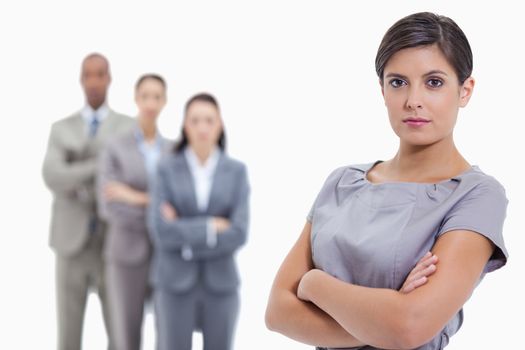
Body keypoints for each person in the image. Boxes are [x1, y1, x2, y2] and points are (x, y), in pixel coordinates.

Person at [265, 12, 508, 350]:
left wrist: (313, 282)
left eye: (434, 82)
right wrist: (384, 318)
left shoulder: (476, 196)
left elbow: (409, 327)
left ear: (465, 90)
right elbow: (277, 312)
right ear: (382, 89)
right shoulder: (342, 183)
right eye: (398, 82)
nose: (413, 100)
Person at [42, 53, 134, 350]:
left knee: (120, 336)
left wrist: (76, 170)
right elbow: (53, 174)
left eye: (100, 74)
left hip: (113, 245)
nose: (94, 81)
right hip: (70, 245)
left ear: (109, 78)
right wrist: (99, 166)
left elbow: (129, 175)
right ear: (81, 79)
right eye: (88, 75)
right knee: (68, 337)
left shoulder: (127, 127)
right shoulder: (61, 128)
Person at [148, 93, 250, 350]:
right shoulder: (166, 168)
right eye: (195, 120)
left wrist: (181, 226)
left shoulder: (236, 171)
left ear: (220, 125)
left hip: (221, 286)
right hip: (173, 284)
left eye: (209, 120)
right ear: (185, 126)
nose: (202, 127)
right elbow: (160, 231)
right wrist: (211, 227)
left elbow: (238, 233)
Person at [97, 74, 171, 350]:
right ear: (136, 99)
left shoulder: (173, 150)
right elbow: (109, 205)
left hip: (166, 254)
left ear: (164, 101)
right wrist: (157, 206)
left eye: (157, 96)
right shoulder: (115, 146)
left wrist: (134, 196)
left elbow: (179, 205)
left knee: (168, 331)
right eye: (145, 96)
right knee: (125, 335)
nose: (151, 103)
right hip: (126, 253)